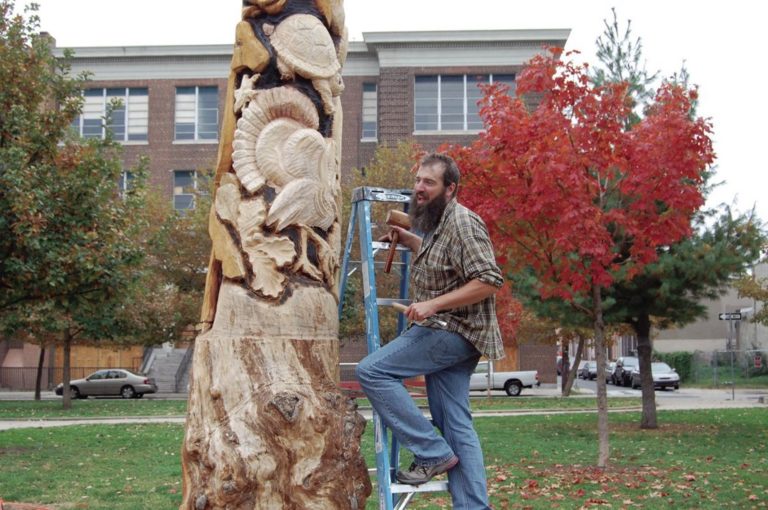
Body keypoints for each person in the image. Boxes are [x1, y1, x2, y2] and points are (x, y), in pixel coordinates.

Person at [356, 152, 504, 509]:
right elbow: (445, 261)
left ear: (449, 189)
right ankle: (472, 505)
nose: (419, 188)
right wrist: (411, 242)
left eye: (429, 182)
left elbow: (489, 279)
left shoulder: (463, 222)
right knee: (455, 421)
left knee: (372, 371)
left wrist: (433, 304)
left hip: (451, 329)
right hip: (457, 333)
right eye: (418, 180)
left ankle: (431, 452)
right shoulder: (439, 223)